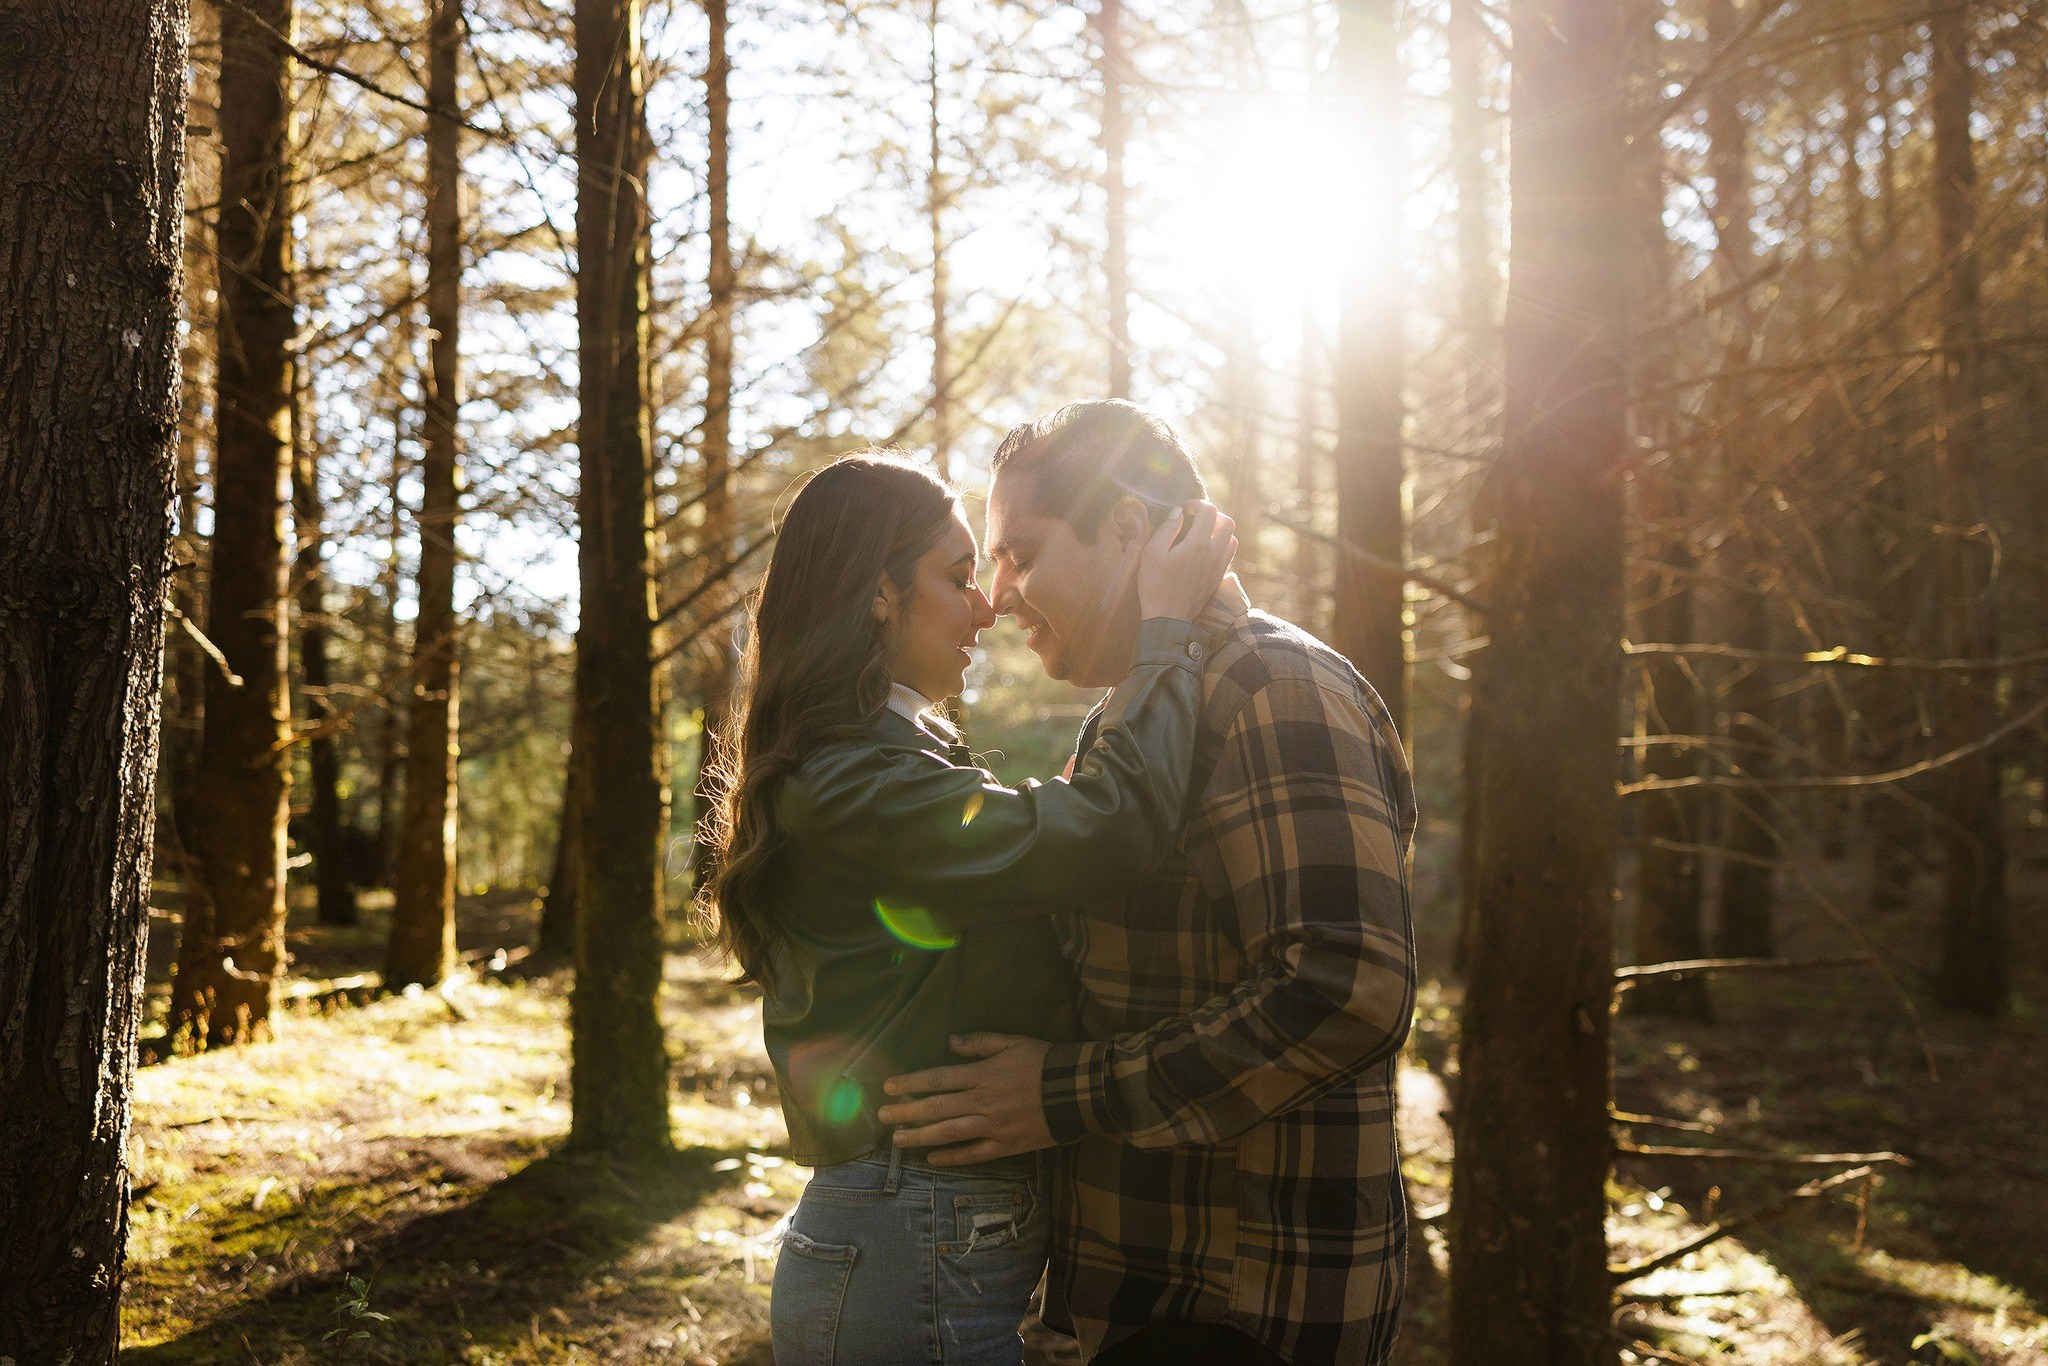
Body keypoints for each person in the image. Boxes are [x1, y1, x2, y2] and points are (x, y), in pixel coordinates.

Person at [876, 401, 1419, 1366]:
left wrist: (1061, 1094)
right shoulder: (1143, 719)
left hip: (1242, 1310)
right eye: (987, 564)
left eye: (1024, 553)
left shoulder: (1271, 688)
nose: (997, 598)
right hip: (1146, 1300)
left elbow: (1346, 987)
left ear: (1129, 527)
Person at [697, 451, 1235, 1366]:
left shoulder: (887, 760)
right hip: (908, 1241)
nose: (988, 605)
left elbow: (1039, 851)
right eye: (957, 577)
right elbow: (1105, 833)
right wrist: (1168, 631)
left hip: (922, 1241)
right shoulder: (848, 782)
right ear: (877, 594)